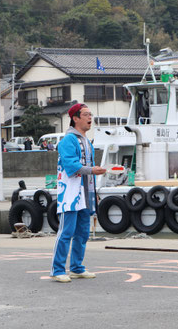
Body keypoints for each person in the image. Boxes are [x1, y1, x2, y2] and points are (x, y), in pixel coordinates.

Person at [51, 103, 106, 283]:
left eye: (91, 114)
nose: (90, 118)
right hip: (71, 192)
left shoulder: (86, 141)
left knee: (82, 232)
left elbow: (85, 168)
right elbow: (71, 166)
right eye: (86, 114)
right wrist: (92, 171)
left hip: (85, 192)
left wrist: (94, 188)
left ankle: (76, 267)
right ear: (75, 118)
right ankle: (58, 269)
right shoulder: (68, 140)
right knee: (66, 231)